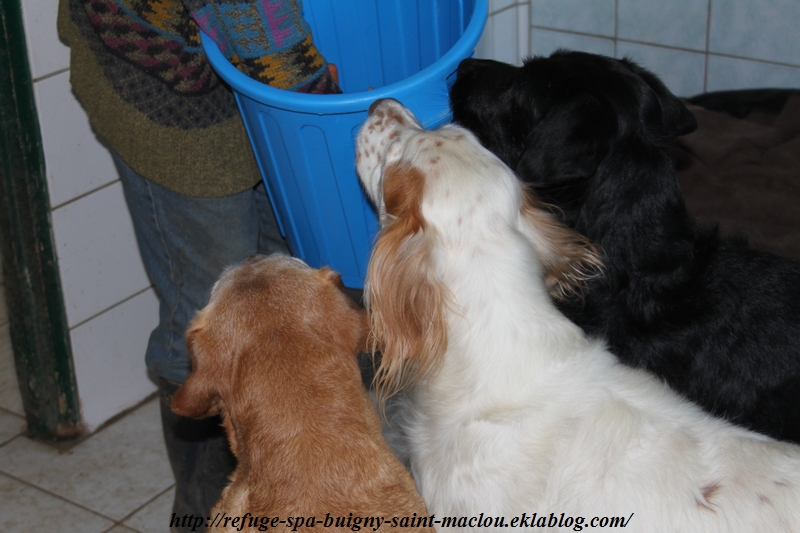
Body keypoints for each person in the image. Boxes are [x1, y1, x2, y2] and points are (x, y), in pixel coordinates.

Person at [57, 0, 340, 529]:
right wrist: (322, 101)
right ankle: (202, 514)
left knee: (285, 292)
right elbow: (259, 22)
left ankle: (282, 493)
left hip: (245, 75)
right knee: (210, 324)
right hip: (163, 83)